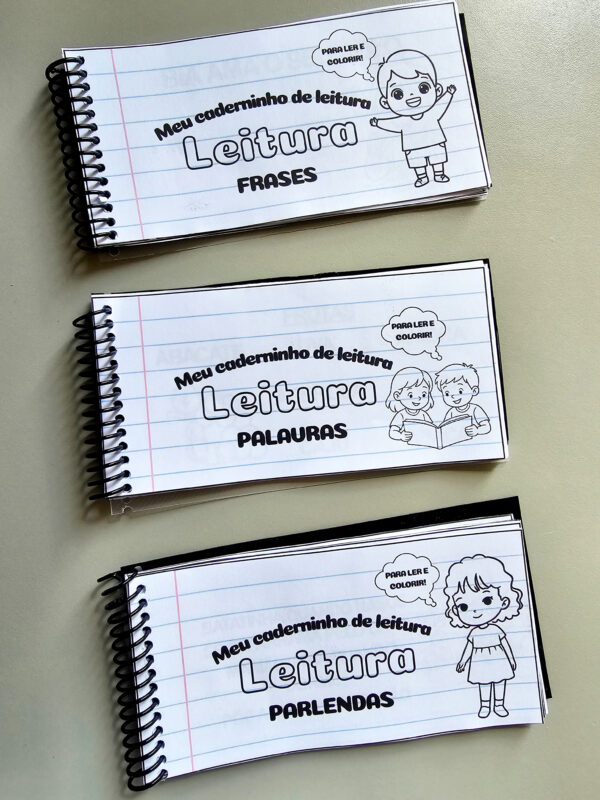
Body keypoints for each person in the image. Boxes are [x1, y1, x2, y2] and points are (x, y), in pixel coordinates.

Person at [444, 555, 522, 718]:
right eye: (463, 606)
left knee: (500, 681)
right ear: (455, 610)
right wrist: (463, 662)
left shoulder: (496, 629)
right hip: (479, 661)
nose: (475, 611)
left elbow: (506, 645)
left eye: (487, 600)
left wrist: (512, 659)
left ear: (504, 602)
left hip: (498, 658)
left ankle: (499, 705)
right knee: (483, 683)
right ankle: (485, 706)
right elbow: (468, 648)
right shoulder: (473, 633)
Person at [370, 49, 455, 187]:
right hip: (413, 147)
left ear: (437, 90)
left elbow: (442, 104)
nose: (411, 96)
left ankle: (439, 174)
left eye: (423, 88)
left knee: (437, 158)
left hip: (435, 142)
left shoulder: (432, 113)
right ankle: (422, 177)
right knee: (417, 162)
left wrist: (449, 94)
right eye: (398, 94)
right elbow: (391, 123)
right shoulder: (402, 121)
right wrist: (378, 122)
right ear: (385, 103)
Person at [435, 363, 490, 438]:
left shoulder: (475, 409)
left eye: (460, 391)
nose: (453, 396)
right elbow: (446, 428)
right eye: (447, 393)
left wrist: (477, 430)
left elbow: (487, 427)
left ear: (474, 391)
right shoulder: (451, 412)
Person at [385, 367, 434, 441]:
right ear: (397, 396)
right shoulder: (401, 415)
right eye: (410, 395)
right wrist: (401, 436)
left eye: (424, 394)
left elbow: (431, 428)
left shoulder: (423, 414)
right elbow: (392, 432)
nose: (418, 398)